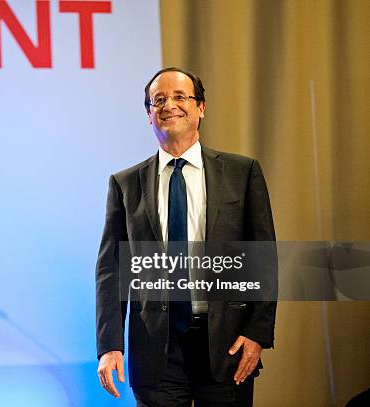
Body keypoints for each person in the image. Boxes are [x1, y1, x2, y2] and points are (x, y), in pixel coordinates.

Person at [95, 67, 277, 406]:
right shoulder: (125, 184)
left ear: (201, 107)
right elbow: (111, 270)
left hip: (227, 345)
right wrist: (110, 345)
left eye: (180, 97)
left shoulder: (242, 172)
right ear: (149, 115)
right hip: (155, 350)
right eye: (158, 100)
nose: (169, 105)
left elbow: (263, 258)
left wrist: (257, 333)